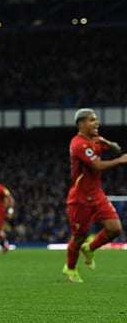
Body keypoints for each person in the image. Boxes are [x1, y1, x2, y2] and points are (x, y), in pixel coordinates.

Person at [62, 108, 127, 283]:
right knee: (79, 236)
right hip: (80, 199)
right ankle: (70, 268)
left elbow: (117, 149)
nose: (96, 123)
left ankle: (90, 248)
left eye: (96, 120)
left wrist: (105, 141)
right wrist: (119, 162)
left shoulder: (95, 140)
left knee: (115, 228)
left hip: (97, 195)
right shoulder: (78, 144)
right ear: (81, 124)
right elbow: (97, 166)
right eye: (92, 120)